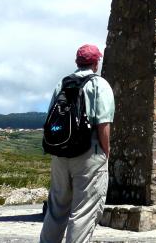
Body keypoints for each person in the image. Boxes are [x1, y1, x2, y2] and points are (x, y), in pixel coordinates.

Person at [40, 44, 115, 243]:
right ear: (96, 62)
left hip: (60, 154)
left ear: (77, 62)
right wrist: (106, 153)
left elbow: (50, 117)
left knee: (56, 208)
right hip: (89, 154)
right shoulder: (99, 85)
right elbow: (103, 124)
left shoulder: (61, 83)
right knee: (83, 211)